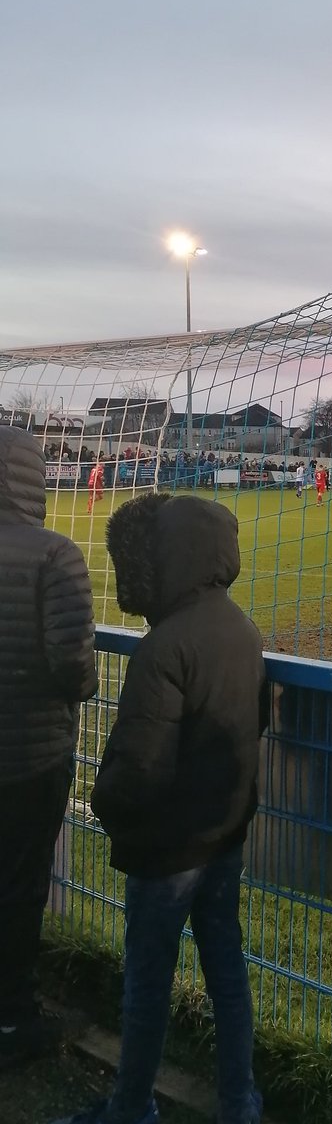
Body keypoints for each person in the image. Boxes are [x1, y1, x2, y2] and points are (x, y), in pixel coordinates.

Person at [55, 493, 266, 1124]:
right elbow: (252, 728)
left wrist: (106, 803)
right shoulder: (243, 629)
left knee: (146, 985)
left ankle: (132, 1107)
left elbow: (141, 768)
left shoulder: (164, 648)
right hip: (223, 838)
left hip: (169, 852)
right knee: (228, 976)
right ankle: (239, 1103)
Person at [0, 426, 97, 1069]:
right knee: (19, 885)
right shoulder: (55, 555)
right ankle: (12, 1021)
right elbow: (75, 670)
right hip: (28, 760)